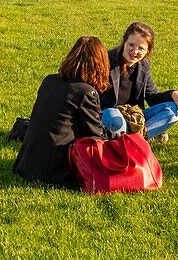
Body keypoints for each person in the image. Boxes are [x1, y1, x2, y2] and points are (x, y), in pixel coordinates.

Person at [13, 36, 109, 187]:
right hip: (53, 172)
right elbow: (96, 136)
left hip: (27, 163)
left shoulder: (49, 80)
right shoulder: (85, 92)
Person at [100, 22, 178, 143]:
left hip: (134, 116)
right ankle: (138, 139)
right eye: (131, 45)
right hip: (111, 116)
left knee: (172, 110)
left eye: (141, 48)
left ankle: (134, 140)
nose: (135, 51)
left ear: (147, 51)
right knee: (113, 116)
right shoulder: (106, 61)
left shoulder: (143, 65)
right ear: (124, 42)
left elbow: (152, 97)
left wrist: (173, 94)